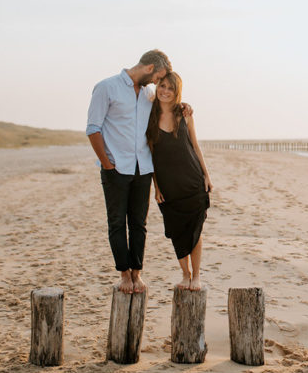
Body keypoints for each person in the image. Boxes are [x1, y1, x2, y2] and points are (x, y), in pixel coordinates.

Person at [86, 49, 171, 294]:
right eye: (157, 78)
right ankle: (124, 275)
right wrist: (107, 165)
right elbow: (93, 129)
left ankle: (137, 273)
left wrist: (183, 106)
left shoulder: (148, 95)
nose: (157, 84)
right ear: (149, 69)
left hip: (142, 168)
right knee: (116, 222)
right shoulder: (106, 87)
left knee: (138, 223)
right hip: (116, 168)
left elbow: (166, 106)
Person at [147, 71, 213, 291]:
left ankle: (196, 277)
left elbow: (195, 146)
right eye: (162, 86)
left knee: (195, 230)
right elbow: (151, 155)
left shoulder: (184, 114)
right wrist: (156, 187)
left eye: (170, 88)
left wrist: (206, 175)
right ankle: (185, 275)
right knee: (176, 231)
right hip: (168, 185)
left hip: (192, 181)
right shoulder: (150, 116)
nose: (165, 91)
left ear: (177, 92)